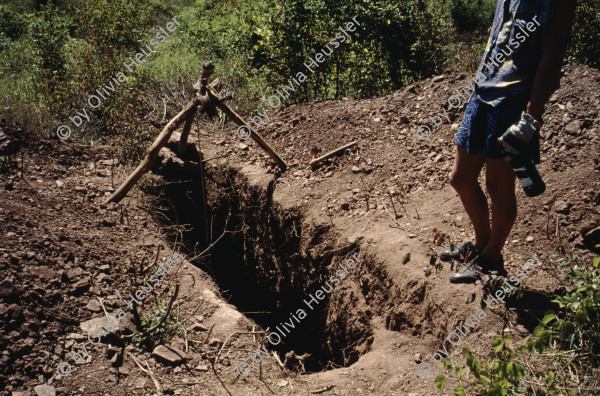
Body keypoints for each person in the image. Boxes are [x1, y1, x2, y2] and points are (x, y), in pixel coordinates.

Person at [442, 0, 576, 283]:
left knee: (497, 186)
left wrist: (531, 117)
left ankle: (491, 258)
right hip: (483, 92)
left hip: (513, 101)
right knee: (460, 178)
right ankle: (479, 245)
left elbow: (552, 56)